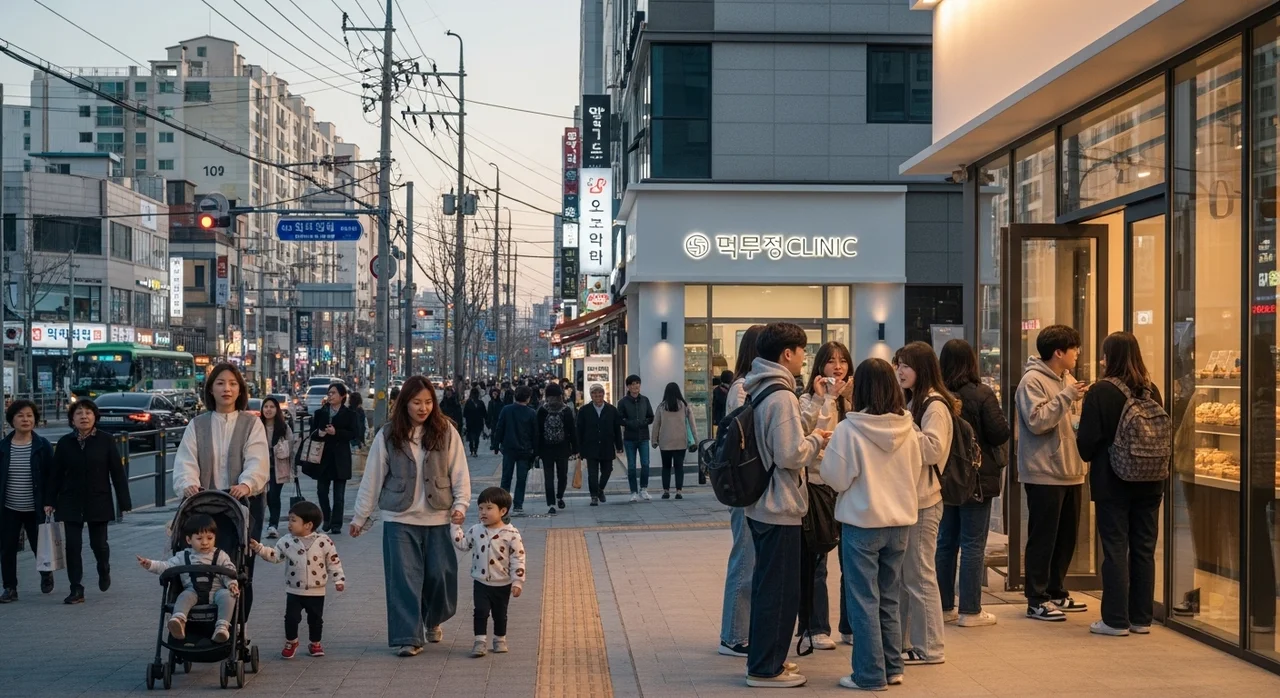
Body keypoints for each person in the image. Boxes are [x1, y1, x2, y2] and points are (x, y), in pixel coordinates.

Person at [821, 357, 923, 691]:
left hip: (863, 523)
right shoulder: (909, 428)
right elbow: (917, 474)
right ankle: (893, 667)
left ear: (860, 388)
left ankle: (868, 673)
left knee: (863, 599)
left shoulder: (850, 430)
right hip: (900, 524)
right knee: (889, 597)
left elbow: (834, 478)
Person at [350, 375, 470, 656]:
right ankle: (408, 636)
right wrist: (360, 517)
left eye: (428, 402)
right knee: (403, 579)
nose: (423, 408)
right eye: (417, 402)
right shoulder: (388, 434)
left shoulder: (446, 431)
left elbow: (459, 471)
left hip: (439, 515)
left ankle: (432, 618)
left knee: (441, 576)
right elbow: (373, 477)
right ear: (404, 403)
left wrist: (461, 505)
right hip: (398, 517)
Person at [743, 322, 830, 688]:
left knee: (770, 587)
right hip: (779, 505)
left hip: (762, 502)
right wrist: (815, 441)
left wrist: (808, 426)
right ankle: (766, 668)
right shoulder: (781, 396)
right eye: (802, 351)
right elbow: (790, 453)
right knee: (779, 591)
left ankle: (769, 658)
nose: (804, 358)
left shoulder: (762, 387)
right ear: (787, 354)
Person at [1077, 332, 1165, 636]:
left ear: (1109, 357)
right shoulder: (1151, 390)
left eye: (1104, 355)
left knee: (1115, 547)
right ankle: (1142, 618)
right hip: (1151, 481)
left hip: (1113, 481)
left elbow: (1086, 444)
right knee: (1143, 548)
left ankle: (1115, 619)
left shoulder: (1101, 391)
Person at [1016, 324, 1089, 621]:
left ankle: (1057, 591)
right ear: (1058, 352)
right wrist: (1066, 397)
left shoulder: (1066, 378)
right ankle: (1036, 598)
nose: (1078, 354)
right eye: (1074, 349)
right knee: (1043, 537)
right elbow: (1036, 421)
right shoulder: (1031, 381)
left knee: (1066, 537)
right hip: (1044, 471)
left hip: (1072, 469)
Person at [937, 338, 1011, 628]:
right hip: (978, 480)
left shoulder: (937, 395)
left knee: (945, 542)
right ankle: (970, 609)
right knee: (972, 544)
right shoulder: (981, 394)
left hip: (945, 480)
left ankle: (944, 606)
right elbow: (999, 432)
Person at [893, 341, 955, 666]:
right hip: (910, 499)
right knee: (908, 577)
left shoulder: (935, 405)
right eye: (898, 365)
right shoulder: (914, 400)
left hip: (925, 502)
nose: (900, 371)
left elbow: (933, 450)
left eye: (906, 365)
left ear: (923, 367)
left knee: (919, 575)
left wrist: (905, 426)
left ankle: (931, 648)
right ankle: (907, 644)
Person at [46, 399, 132, 604]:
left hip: (98, 499)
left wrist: (124, 502)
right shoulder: (65, 443)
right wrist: (49, 500)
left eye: (88, 413)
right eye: (78, 413)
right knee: (73, 546)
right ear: (72, 419)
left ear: (95, 417)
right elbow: (55, 474)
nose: (84, 416)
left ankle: (104, 568)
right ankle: (76, 588)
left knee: (99, 544)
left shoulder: (106, 440)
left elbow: (117, 473)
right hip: (70, 501)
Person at [798, 341, 854, 649]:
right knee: (817, 561)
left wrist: (850, 400)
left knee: (852, 562)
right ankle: (816, 628)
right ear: (820, 366)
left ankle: (850, 626)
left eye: (843, 360)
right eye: (831, 360)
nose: (838, 366)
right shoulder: (808, 399)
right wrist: (826, 400)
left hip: (847, 488)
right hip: (817, 488)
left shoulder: (854, 401)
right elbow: (805, 440)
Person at [718, 323, 765, 658]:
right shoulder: (742, 388)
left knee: (752, 559)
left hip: (754, 486)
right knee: (744, 559)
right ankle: (733, 635)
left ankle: (743, 630)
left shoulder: (752, 384)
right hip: (745, 486)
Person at [252, 501, 346, 658]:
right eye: (289, 520)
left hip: (317, 590)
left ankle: (315, 643)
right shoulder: (286, 541)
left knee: (316, 619)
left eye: (293, 520)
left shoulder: (324, 541)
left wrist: (339, 579)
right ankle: (291, 641)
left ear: (308, 525)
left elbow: (333, 561)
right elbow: (275, 556)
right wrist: (260, 549)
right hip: (294, 589)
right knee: (291, 618)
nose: (289, 524)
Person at [137, 513, 240, 644]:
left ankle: (222, 627)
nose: (205, 542)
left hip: (217, 592)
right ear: (189, 540)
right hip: (193, 591)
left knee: (228, 595)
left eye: (209, 538)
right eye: (199, 538)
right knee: (184, 596)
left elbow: (229, 571)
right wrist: (150, 564)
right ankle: (179, 620)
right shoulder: (183, 556)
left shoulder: (220, 556)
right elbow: (167, 566)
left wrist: (232, 584)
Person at [451, 486, 526, 658]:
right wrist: (455, 527)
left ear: (503, 511)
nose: (483, 512)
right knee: (480, 611)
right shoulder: (476, 530)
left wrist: (517, 581)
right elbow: (463, 544)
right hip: (481, 581)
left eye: (489, 508)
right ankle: (480, 641)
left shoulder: (511, 534)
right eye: (480, 508)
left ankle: (500, 639)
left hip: (503, 583)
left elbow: (518, 558)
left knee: (500, 614)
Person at [0, 399, 56, 602]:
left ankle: (45, 573)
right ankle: (9, 588)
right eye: (20, 416)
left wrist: (50, 501)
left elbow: (52, 476)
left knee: (38, 546)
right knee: (7, 549)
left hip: (36, 507)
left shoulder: (42, 446)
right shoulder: (4, 446)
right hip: (9, 507)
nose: (25, 419)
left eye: (29, 416)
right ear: (11, 420)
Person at [306, 382, 359, 535]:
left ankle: (336, 524)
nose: (330, 395)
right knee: (321, 491)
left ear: (342, 396)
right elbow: (313, 433)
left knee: (339, 495)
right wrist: (320, 433)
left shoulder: (350, 414)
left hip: (340, 458)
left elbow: (353, 434)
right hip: (323, 458)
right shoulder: (320, 413)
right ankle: (326, 518)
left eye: (334, 393)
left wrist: (337, 432)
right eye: (329, 393)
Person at [576, 384, 623, 507]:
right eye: (594, 394)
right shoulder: (584, 410)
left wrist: (619, 445)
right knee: (592, 473)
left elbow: (616, 429)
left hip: (607, 445)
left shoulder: (612, 410)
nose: (597, 396)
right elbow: (579, 430)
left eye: (599, 393)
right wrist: (578, 448)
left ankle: (600, 488)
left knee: (607, 470)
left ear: (603, 394)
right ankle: (594, 496)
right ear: (591, 396)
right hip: (590, 446)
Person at [495, 387, 538, 516]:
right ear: (528, 398)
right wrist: (535, 451)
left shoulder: (506, 410)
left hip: (508, 448)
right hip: (525, 450)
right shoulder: (531, 413)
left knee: (506, 477)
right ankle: (518, 505)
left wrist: (496, 445)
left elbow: (499, 428)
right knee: (521, 478)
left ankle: (503, 505)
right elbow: (535, 434)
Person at [651, 382, 697, 500]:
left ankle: (666, 491)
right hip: (680, 441)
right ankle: (679, 491)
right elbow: (692, 424)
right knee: (679, 467)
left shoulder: (661, 406)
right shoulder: (684, 406)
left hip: (665, 442)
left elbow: (656, 424)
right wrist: (696, 440)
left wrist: (654, 440)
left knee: (666, 467)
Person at [535, 383, 577, 515]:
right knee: (562, 475)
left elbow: (538, 432)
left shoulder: (542, 410)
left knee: (548, 477)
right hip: (563, 448)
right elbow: (572, 430)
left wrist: (536, 451)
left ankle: (551, 504)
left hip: (546, 449)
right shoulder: (566, 410)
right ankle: (560, 496)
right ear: (560, 395)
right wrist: (575, 448)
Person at [261, 397, 296, 540]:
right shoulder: (256, 426)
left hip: (278, 467)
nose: (268, 410)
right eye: (266, 407)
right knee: (263, 497)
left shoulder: (283, 427)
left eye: (272, 407)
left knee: (274, 495)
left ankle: (273, 525)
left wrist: (293, 468)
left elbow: (291, 446)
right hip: (261, 467)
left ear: (277, 410)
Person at [617, 375, 655, 502]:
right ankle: (633, 491)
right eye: (633, 384)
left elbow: (651, 417)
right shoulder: (623, 402)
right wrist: (630, 423)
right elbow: (619, 419)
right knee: (631, 465)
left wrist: (643, 422)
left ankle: (643, 489)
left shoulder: (645, 400)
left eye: (637, 383)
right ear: (628, 386)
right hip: (629, 438)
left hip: (644, 436)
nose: (635, 386)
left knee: (645, 463)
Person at [463, 388, 488, 457]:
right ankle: (472, 449)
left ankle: (475, 449)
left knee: (476, 437)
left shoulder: (480, 402)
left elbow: (484, 413)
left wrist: (486, 420)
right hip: (470, 422)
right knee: (471, 437)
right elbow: (465, 413)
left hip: (478, 422)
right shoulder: (468, 402)